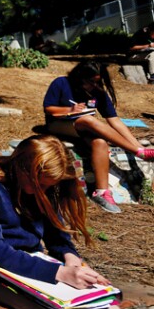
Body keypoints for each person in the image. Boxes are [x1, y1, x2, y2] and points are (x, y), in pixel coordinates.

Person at [0, 135, 133, 309]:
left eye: (48, 186)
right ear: (22, 167)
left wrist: (71, 259)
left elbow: (57, 236)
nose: (42, 190)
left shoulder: (44, 187)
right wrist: (60, 273)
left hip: (37, 264)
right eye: (40, 184)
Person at [43, 61, 154, 213]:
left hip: (83, 127)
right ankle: (138, 151)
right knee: (87, 119)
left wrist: (137, 145)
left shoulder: (98, 91)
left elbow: (114, 120)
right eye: (90, 81)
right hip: (58, 124)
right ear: (80, 76)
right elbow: (49, 108)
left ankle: (102, 192)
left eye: (97, 81)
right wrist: (70, 109)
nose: (94, 85)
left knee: (100, 142)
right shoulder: (61, 83)